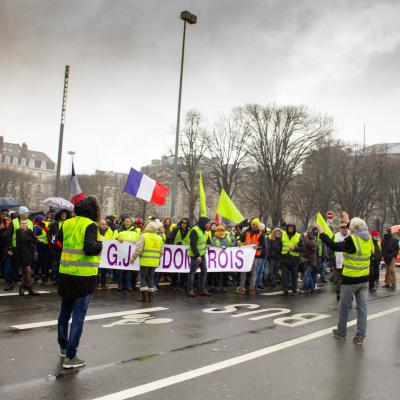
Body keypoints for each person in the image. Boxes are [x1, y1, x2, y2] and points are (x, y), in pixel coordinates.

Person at [57, 196, 102, 369]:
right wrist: (100, 245)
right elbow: (90, 248)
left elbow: (57, 243)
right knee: (77, 317)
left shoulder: (67, 223)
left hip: (65, 274)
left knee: (64, 313)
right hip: (83, 277)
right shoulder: (90, 225)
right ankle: (71, 356)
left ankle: (63, 346)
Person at [317, 214, 374, 345]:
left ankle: (341, 332)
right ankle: (360, 336)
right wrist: (349, 222)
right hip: (364, 279)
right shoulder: (369, 238)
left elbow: (333, 245)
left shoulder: (351, 240)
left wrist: (321, 233)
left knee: (343, 306)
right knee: (362, 308)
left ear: (353, 229)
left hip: (350, 279)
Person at [130, 220, 164, 302]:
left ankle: (144, 297)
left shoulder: (144, 236)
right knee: (150, 278)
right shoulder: (159, 237)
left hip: (145, 261)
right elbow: (161, 252)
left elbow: (139, 249)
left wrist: (133, 258)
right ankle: (151, 297)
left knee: (142, 278)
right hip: (154, 262)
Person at [236, 218, 266, 295]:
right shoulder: (247, 232)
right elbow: (241, 238)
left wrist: (258, 247)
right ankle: (242, 287)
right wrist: (239, 241)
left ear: (257, 225)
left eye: (255, 224)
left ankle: (251, 288)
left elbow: (264, 247)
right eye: (252, 224)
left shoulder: (260, 234)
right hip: (246, 255)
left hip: (255, 256)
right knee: (244, 271)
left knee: (253, 272)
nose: (253, 226)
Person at [8, 206, 34, 287]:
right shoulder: (14, 222)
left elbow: (32, 235)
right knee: (15, 266)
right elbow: (9, 235)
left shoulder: (30, 222)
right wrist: (10, 248)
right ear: (21, 214)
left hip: (27, 248)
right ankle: (11, 283)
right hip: (16, 247)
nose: (28, 214)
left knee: (26, 266)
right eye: (26, 213)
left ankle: (26, 284)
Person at [113, 216, 139, 291]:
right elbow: (111, 240)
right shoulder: (118, 231)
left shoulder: (135, 231)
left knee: (130, 270)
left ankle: (129, 285)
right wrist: (117, 239)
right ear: (123, 222)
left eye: (129, 221)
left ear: (131, 223)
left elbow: (140, 240)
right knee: (120, 270)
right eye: (126, 221)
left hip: (131, 254)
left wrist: (136, 242)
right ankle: (120, 285)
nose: (127, 223)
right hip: (121, 254)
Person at [187, 216, 211, 297]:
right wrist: (197, 256)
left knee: (204, 271)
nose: (209, 225)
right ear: (203, 223)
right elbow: (192, 244)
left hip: (202, 254)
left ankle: (202, 289)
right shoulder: (194, 230)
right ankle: (190, 290)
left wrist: (208, 244)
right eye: (207, 223)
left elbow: (207, 240)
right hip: (195, 255)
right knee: (192, 272)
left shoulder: (205, 231)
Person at [15, 220, 38, 296]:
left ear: (27, 224)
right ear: (19, 225)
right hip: (21, 253)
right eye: (22, 223)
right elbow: (23, 239)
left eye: (25, 223)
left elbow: (35, 240)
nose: (24, 224)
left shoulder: (30, 231)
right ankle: (30, 288)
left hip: (29, 253)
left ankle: (22, 288)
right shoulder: (18, 231)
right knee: (28, 270)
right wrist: (29, 238)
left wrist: (29, 238)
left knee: (25, 271)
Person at [48, 209, 72, 282]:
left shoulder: (69, 223)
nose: (63, 216)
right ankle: (55, 275)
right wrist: (52, 242)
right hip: (56, 245)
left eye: (65, 215)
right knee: (56, 261)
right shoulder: (55, 224)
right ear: (59, 215)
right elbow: (49, 234)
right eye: (62, 214)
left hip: (66, 245)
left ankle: (62, 276)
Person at [211, 224, 235, 292]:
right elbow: (213, 246)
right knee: (217, 273)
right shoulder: (214, 238)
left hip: (226, 258)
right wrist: (220, 248)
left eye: (222, 230)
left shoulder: (228, 236)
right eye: (219, 230)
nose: (221, 231)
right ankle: (217, 286)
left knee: (225, 273)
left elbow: (234, 241)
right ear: (217, 230)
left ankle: (224, 286)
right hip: (217, 258)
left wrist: (231, 247)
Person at [280, 223, 301, 296]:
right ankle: (285, 290)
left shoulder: (298, 235)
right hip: (284, 258)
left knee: (294, 276)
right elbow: (280, 245)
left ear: (294, 228)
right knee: (284, 276)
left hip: (294, 259)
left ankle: (294, 290)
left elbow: (302, 248)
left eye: (292, 228)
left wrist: (294, 248)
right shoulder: (283, 234)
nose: (290, 229)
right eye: (289, 227)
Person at [333, 223, 349, 300]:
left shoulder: (350, 235)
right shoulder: (336, 235)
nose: (344, 229)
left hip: (348, 261)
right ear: (340, 229)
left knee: (348, 279)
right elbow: (332, 246)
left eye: (345, 228)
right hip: (338, 261)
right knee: (339, 279)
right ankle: (339, 293)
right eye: (343, 228)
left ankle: (349, 296)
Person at [33, 214, 51, 283]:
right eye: (43, 219)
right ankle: (36, 275)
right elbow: (34, 236)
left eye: (44, 219)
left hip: (46, 246)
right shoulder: (36, 227)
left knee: (45, 261)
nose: (44, 221)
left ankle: (44, 275)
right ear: (39, 220)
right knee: (38, 261)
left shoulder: (45, 226)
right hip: (39, 246)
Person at [97, 219, 114, 288]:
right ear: (99, 224)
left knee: (105, 270)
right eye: (102, 224)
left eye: (105, 224)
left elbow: (113, 241)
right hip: (98, 253)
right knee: (98, 270)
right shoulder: (95, 231)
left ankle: (104, 284)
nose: (104, 225)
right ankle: (97, 283)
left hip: (107, 254)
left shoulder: (110, 232)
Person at [300, 229, 317, 294]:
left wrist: (305, 237)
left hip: (310, 261)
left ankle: (305, 288)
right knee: (309, 275)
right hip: (309, 260)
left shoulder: (312, 241)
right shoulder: (312, 240)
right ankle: (312, 287)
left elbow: (308, 244)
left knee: (307, 275)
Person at [1, 210, 13, 290]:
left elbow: (8, 233)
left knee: (5, 261)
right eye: (3, 214)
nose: (4, 215)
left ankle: (6, 277)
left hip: (4, 244)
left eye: (5, 214)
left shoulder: (7, 221)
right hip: (2, 243)